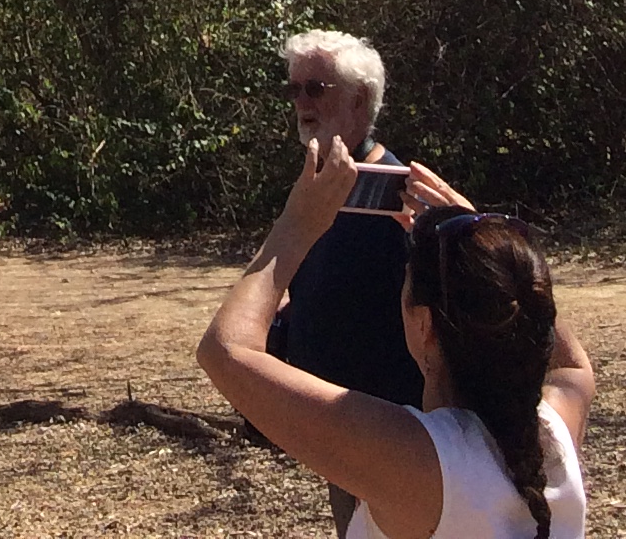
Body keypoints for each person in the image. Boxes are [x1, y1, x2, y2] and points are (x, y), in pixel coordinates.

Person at [200, 140, 592, 538]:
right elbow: (572, 365)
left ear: (424, 325)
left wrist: (297, 223)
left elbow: (225, 351)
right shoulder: (555, 430)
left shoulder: (414, 458)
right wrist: (487, 242)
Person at [269, 30, 425, 525]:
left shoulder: (399, 198)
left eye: (315, 87)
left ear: (359, 101)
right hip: (337, 435)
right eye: (293, 90)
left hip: (396, 438)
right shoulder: (318, 189)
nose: (301, 102)